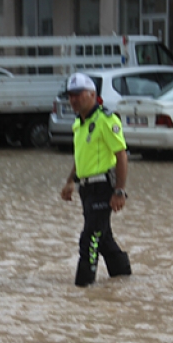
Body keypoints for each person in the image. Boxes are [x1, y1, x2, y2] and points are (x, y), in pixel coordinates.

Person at [60, 72, 131, 287]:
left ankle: (84, 287)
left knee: (89, 238)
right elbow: (81, 157)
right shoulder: (78, 124)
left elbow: (121, 155)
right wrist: (70, 180)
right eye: (70, 95)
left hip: (104, 187)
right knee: (103, 239)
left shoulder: (106, 120)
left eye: (78, 94)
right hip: (87, 189)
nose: (73, 99)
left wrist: (119, 191)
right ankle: (123, 278)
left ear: (92, 94)